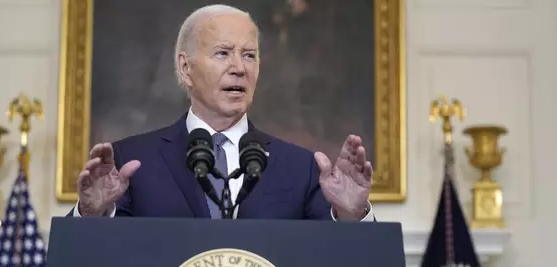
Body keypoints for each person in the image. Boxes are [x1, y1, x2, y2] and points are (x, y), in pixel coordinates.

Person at [71, 4, 375, 221]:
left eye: (249, 55)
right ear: (185, 67)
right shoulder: (132, 162)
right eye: (223, 53)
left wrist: (352, 214)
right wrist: (92, 214)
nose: (239, 68)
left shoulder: (300, 168)